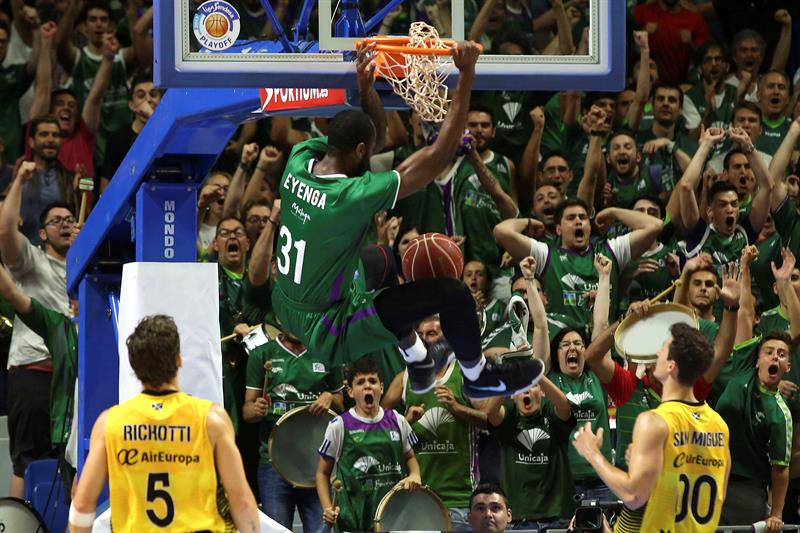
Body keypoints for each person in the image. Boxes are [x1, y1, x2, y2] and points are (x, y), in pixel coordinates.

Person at [270, 41, 544, 400]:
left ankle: (417, 360)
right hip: (328, 326)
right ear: (360, 151)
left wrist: (366, 92)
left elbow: (372, 139)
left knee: (383, 259)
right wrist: (466, 74)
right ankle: (478, 376)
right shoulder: (349, 197)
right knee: (455, 294)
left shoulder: (300, 159)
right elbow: (440, 154)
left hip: (286, 300)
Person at [69, 315, 260, 533]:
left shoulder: (109, 423)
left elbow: (82, 504)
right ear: (179, 360)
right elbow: (241, 501)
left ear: (133, 365)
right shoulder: (211, 420)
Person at [573, 323, 730, 533]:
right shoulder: (719, 425)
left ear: (671, 366)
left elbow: (633, 496)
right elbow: (715, 493)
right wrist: (653, 469)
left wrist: (592, 453)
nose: (655, 354)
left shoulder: (654, 421)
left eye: (661, 349)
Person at [0, 161, 76, 498]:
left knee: (69, 462)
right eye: (56, 221)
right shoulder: (32, 261)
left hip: (71, 380)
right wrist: (19, 179)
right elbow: (5, 233)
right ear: (42, 233)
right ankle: (17, 522)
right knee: (26, 463)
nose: (65, 224)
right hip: (33, 373)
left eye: (70, 220)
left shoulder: (89, 272)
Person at [243, 327, 344, 533]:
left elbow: (341, 405)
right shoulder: (262, 355)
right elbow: (247, 412)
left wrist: (330, 397)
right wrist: (257, 409)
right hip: (274, 464)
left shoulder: (327, 354)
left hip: (318, 465)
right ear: (281, 318)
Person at [315, 356, 421, 532]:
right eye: (360, 382)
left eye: (372, 381)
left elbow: (410, 457)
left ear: (381, 388)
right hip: (352, 522)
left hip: (393, 519)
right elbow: (321, 473)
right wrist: (327, 507)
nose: (367, 386)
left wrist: (415, 475)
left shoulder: (398, 420)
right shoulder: (339, 426)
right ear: (350, 391)